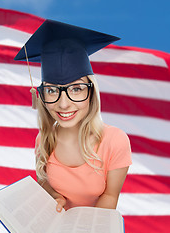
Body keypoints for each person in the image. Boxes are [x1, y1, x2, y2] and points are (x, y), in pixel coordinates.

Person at [15, 20, 132, 212]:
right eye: (52, 90)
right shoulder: (44, 140)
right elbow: (44, 184)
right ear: (41, 95)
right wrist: (53, 197)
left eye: (76, 89)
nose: (63, 104)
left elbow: (110, 196)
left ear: (92, 92)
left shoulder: (114, 141)